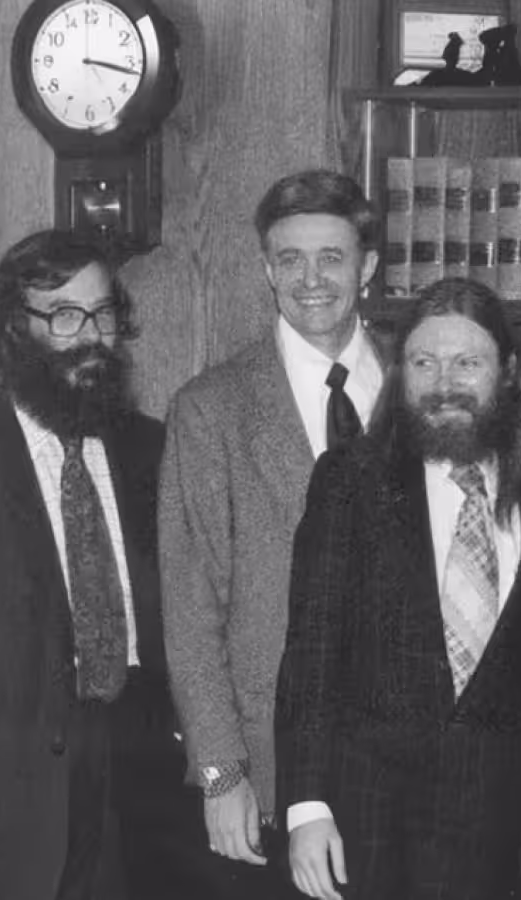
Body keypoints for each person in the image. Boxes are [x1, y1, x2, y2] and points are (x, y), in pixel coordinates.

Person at [0, 230, 213, 900]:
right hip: (6, 814)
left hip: (149, 801)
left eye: (102, 314)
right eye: (63, 316)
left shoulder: (154, 451)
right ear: (13, 328)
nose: (90, 335)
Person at [275, 276, 521, 900]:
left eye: (468, 362)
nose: (445, 384)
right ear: (400, 373)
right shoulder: (349, 479)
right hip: (367, 816)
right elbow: (309, 653)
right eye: (424, 362)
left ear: (507, 372)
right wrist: (306, 808)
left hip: (496, 819)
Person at [159, 169, 382, 896]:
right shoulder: (210, 410)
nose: (310, 279)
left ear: (368, 266)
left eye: (332, 258)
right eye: (289, 259)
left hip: (409, 765)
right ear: (265, 269)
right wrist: (222, 771)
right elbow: (191, 609)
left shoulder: (426, 390)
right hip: (267, 765)